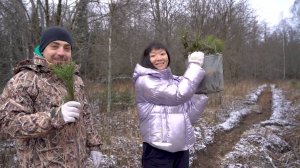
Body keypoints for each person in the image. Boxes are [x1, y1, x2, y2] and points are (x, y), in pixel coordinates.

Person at [0, 26, 103, 167]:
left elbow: (85, 113)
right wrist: (54, 117)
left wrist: (94, 145)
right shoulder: (25, 79)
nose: (61, 53)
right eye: (54, 46)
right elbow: (7, 124)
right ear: (43, 49)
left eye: (67, 48)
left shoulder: (75, 79)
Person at [132, 42, 208, 168]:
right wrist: (194, 66)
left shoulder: (175, 81)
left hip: (181, 149)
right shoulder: (144, 81)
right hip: (157, 150)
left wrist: (201, 95)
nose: (159, 58)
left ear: (168, 56)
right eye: (153, 55)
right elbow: (179, 95)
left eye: (162, 53)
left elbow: (187, 117)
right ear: (146, 59)